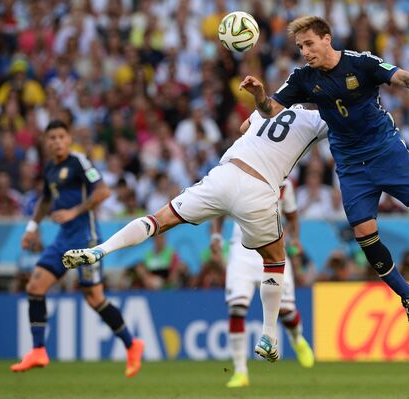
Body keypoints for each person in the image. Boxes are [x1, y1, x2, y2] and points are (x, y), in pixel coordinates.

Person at [239, 16, 409, 333]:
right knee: (363, 234)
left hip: (385, 149)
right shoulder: (303, 78)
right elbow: (270, 109)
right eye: (300, 46)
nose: (304, 51)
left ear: (327, 39)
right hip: (349, 162)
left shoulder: (360, 63)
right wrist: (259, 96)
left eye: (309, 44)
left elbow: (401, 77)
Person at [63, 105, 328, 362]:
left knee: (158, 220)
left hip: (225, 174)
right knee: (274, 261)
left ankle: (101, 249)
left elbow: (244, 127)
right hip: (260, 191)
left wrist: (261, 101)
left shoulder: (267, 108)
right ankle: (268, 336)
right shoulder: (315, 118)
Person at [10, 120, 144, 377]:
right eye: (52, 138)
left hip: (86, 239)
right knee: (35, 287)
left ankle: (132, 344)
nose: (57, 141)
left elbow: (103, 192)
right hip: (62, 240)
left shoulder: (79, 162)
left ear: (68, 139)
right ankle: (38, 350)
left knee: (94, 298)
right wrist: (31, 227)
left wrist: (74, 211)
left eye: (61, 136)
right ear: (46, 143)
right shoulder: (50, 168)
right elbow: (45, 201)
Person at [213, 178, 314, 388]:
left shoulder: (284, 183)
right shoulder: (239, 174)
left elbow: (293, 218)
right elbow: (220, 209)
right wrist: (216, 236)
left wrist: (295, 239)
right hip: (241, 251)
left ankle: (296, 339)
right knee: (237, 308)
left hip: (272, 248)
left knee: (286, 311)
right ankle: (240, 371)